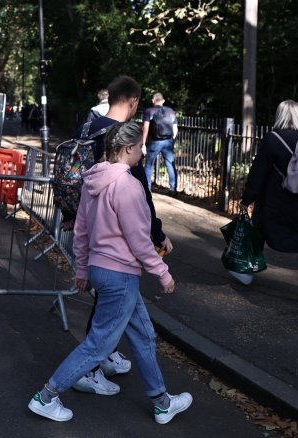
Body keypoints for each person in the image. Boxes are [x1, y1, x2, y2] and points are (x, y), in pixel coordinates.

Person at [28, 121, 193, 425]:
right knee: (99, 345)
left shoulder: (93, 181)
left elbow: (80, 231)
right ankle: (46, 396)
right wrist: (163, 272)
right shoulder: (128, 185)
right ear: (129, 148)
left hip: (101, 270)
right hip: (121, 275)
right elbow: (139, 239)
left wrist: (81, 268)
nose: (143, 152)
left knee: (143, 335)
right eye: (140, 147)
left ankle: (161, 401)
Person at [70, 75, 173, 395]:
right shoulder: (120, 138)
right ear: (132, 102)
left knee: (111, 307)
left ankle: (108, 358)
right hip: (115, 245)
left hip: (86, 223)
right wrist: (158, 235)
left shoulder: (86, 127)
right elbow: (139, 196)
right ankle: (83, 370)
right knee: (108, 308)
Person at [239, 100, 298, 302]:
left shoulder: (272, 139)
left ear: (280, 115)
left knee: (259, 229)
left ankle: (246, 272)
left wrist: (247, 198)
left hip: (275, 200)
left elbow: (258, 173)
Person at [142, 92, 178, 194]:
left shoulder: (149, 111)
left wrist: (143, 143)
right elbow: (175, 129)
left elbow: (145, 127)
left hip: (154, 142)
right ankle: (173, 189)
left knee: (149, 164)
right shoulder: (171, 111)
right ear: (163, 101)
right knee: (170, 164)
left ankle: (147, 189)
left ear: (153, 101)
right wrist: (172, 140)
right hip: (168, 142)